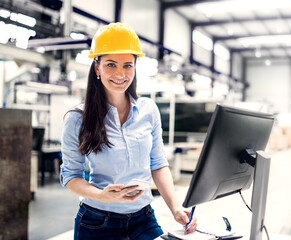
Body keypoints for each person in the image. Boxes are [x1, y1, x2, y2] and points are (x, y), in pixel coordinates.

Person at [60, 22, 197, 240]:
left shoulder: (148, 110)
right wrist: (102, 196)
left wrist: (175, 208)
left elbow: (158, 164)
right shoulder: (77, 118)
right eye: (111, 65)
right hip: (97, 221)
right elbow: (70, 176)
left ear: (135, 66)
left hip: (143, 218)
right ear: (97, 67)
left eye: (128, 65)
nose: (120, 74)